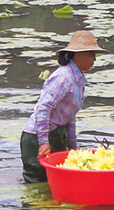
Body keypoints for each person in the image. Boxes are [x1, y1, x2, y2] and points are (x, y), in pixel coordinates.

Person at [20, 30, 105, 184]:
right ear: (79, 55)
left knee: (57, 182)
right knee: (37, 185)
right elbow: (43, 109)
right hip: (37, 138)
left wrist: (73, 149)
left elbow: (70, 117)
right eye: (92, 54)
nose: (94, 60)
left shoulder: (78, 79)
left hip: (58, 134)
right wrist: (44, 142)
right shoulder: (63, 77)